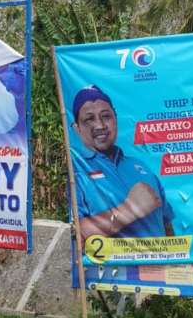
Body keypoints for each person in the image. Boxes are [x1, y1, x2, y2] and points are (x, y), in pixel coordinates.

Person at [71, 85, 174, 240]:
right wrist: (129, 210)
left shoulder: (141, 167)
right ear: (77, 129)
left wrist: (175, 262)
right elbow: (75, 235)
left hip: (159, 263)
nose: (100, 125)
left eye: (106, 116)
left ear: (115, 119)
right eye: (89, 119)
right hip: (113, 264)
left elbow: (166, 225)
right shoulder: (77, 171)